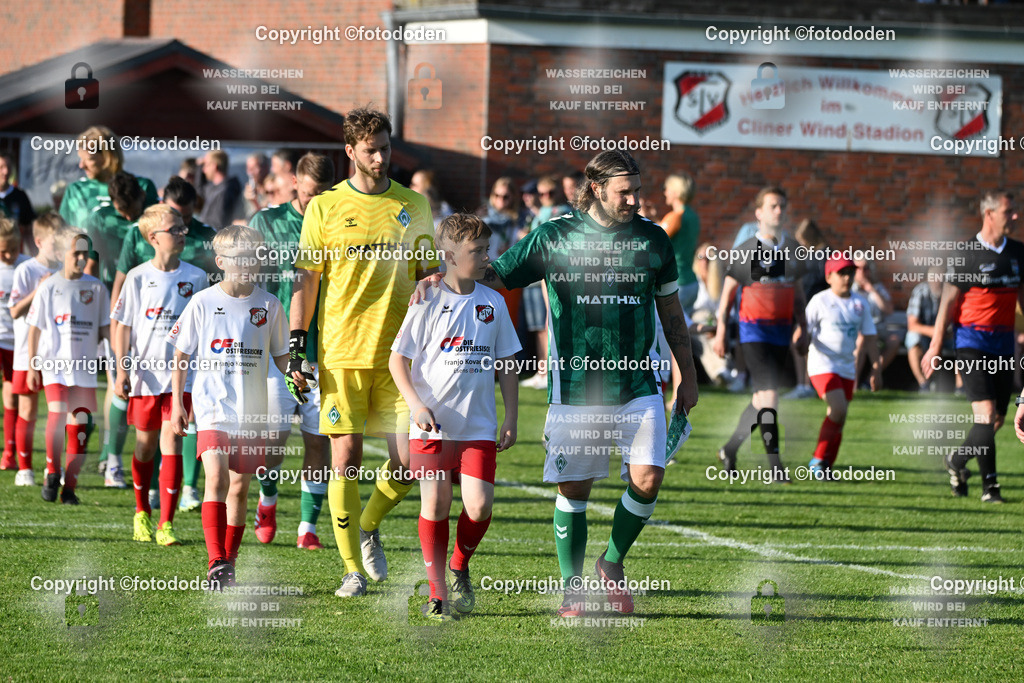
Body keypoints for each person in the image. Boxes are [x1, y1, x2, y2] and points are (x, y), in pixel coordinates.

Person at [413, 150, 699, 618]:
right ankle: (573, 589)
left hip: (637, 382)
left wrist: (686, 374)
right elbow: (497, 274)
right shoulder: (555, 236)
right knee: (575, 490)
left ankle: (611, 563)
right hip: (575, 386)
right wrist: (440, 278)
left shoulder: (653, 240)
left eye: (637, 190)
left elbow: (672, 312)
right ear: (597, 189)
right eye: (624, 191)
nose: (634, 199)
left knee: (648, 479)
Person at [288, 108, 441, 597]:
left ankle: (370, 523)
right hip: (341, 353)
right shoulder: (324, 208)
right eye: (370, 149)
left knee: (409, 462)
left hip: (399, 358)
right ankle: (351, 568)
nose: (380, 157)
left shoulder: (414, 204)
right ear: (350, 152)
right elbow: (307, 280)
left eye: (386, 147)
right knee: (346, 457)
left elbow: (428, 275)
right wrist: (297, 345)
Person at [390, 213, 520, 621]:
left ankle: (459, 564)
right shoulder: (426, 298)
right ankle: (437, 594)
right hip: (431, 426)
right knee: (437, 500)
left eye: (486, 249)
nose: (486, 257)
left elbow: (508, 363)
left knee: (479, 507)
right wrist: (415, 404)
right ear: (448, 256)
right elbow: (398, 360)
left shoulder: (493, 302)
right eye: (477, 251)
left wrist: (511, 415)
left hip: (477, 426)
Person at [168, 225, 290, 588]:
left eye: (253, 257)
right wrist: (178, 402)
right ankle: (215, 560)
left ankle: (230, 563)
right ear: (221, 262)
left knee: (239, 487)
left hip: (250, 411)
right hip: (212, 407)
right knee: (217, 478)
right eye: (239, 259)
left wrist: (298, 375)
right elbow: (181, 354)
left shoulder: (269, 304)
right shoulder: (203, 302)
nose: (247, 265)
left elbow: (281, 356)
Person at [249, 153, 335, 550]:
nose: (317, 200)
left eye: (324, 193)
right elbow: (248, 281)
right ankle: (267, 502)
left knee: (318, 441)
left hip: (325, 351)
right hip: (276, 353)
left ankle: (307, 527)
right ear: (295, 182)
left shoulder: (338, 221)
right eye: (311, 192)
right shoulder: (267, 222)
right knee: (273, 439)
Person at [112, 205, 207, 545]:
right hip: (145, 378)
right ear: (153, 238)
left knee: (172, 444)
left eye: (183, 228)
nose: (182, 234)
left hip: (181, 379)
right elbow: (121, 327)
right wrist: (121, 368)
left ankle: (166, 523)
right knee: (145, 445)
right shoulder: (137, 277)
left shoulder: (196, 277)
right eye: (174, 229)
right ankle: (141, 512)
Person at [924, 190, 1023, 503]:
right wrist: (935, 345)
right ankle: (990, 488)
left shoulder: (1019, 253)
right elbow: (949, 302)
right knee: (986, 414)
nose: (1016, 216)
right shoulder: (965, 254)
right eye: (1009, 211)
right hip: (971, 341)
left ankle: (956, 461)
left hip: (1004, 342)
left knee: (996, 420)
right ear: (989, 214)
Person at [712, 186, 807, 480]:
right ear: (759, 213)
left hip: (781, 333)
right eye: (773, 206)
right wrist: (720, 333)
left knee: (760, 401)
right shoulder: (745, 251)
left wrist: (803, 326)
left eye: (782, 206)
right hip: (753, 332)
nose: (779, 211)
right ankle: (776, 467)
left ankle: (730, 448)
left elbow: (799, 293)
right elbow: (727, 296)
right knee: (770, 397)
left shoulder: (793, 249)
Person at [27, 229, 111, 504]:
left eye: (85, 253)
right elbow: (35, 329)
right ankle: (52, 471)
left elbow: (105, 330)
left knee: (81, 426)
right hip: (55, 366)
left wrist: (116, 364)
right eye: (76, 253)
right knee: (56, 415)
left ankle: (69, 487)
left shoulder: (97, 288)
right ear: (63, 253)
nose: (81, 258)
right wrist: (32, 366)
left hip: (85, 370)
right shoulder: (49, 286)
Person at [805, 255, 881, 476]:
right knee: (838, 409)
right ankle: (818, 461)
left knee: (840, 416)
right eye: (841, 273)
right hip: (822, 364)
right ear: (829, 277)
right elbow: (804, 332)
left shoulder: (860, 303)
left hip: (847, 367)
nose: (847, 278)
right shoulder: (819, 301)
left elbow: (869, 337)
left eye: (850, 273)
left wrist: (876, 369)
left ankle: (826, 465)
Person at [8, 212, 62, 486]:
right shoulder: (27, 270)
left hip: (58, 356)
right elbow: (15, 310)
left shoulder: (68, 269)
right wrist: (39, 290)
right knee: (27, 412)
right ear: (39, 242)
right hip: (26, 354)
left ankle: (53, 468)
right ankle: (25, 468)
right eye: (56, 243)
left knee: (58, 413)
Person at [59, 126, 159, 230]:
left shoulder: (142, 186)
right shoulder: (76, 190)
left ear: (108, 156)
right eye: (81, 159)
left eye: (89, 159)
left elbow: (155, 232)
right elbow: (63, 235)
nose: (81, 165)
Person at [784, 219, 830, 400]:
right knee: (802, 343)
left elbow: (815, 282)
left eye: (803, 240)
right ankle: (807, 384)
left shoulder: (821, 255)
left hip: (816, 307)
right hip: (810, 307)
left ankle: (805, 385)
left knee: (800, 342)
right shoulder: (815, 255)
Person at [0, 219, 29, 471]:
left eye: (13, 249)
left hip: (17, 342)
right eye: (2, 251)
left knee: (13, 396)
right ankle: (9, 453)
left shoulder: (27, 266)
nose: (9, 255)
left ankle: (10, 452)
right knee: (8, 393)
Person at [905, 267, 960, 392]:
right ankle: (924, 384)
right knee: (912, 338)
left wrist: (942, 335)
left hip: (949, 335)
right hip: (926, 335)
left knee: (963, 341)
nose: (936, 281)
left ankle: (960, 387)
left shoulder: (952, 291)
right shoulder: (921, 291)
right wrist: (936, 334)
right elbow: (912, 325)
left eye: (940, 277)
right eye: (933, 277)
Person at [852, 258, 902, 386]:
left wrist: (872, 290)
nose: (862, 271)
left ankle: (871, 380)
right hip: (857, 330)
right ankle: (853, 383)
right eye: (859, 268)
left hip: (878, 328)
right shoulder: (850, 289)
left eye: (866, 268)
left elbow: (889, 309)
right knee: (862, 338)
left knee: (895, 340)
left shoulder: (878, 288)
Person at [197, 150, 244, 229]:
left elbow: (218, 224)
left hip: (214, 239)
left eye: (205, 165)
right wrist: (199, 167)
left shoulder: (226, 191)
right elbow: (199, 190)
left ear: (214, 166)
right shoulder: (215, 189)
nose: (203, 170)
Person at [0, 153, 37, 253]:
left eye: (8, 166)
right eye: (1, 167)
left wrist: (35, 257)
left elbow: (28, 231)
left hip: (13, 255)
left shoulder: (20, 196)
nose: (6, 171)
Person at [242, 153, 270, 217]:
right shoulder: (247, 192)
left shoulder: (273, 191)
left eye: (254, 168)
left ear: (266, 168)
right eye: (248, 168)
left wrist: (255, 202)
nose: (250, 173)